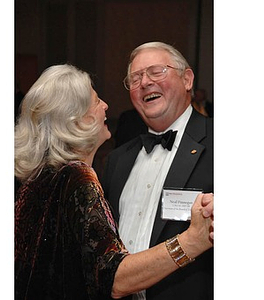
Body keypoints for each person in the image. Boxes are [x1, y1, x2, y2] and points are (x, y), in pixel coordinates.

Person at [15, 64, 213, 300]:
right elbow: (113, 278)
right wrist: (192, 241)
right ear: (77, 120)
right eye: (97, 100)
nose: (106, 105)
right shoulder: (78, 178)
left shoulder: (39, 178)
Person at [102, 42, 214, 300]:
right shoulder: (117, 160)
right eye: (135, 78)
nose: (144, 83)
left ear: (187, 79)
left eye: (156, 72)